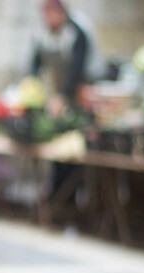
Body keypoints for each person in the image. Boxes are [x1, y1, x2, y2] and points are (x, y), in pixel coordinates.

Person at [30, 0, 100, 200]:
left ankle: (70, 198)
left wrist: (62, 97)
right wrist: (32, 86)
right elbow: (35, 64)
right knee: (57, 145)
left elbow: (77, 69)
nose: (49, 18)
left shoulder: (77, 32)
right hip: (57, 98)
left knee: (73, 148)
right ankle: (56, 194)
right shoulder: (41, 32)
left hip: (80, 97)